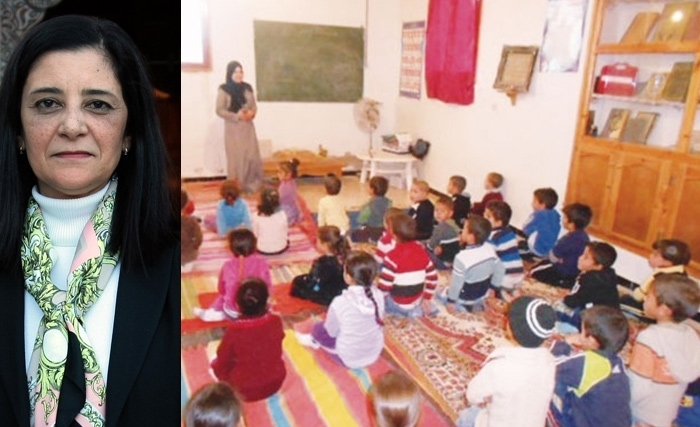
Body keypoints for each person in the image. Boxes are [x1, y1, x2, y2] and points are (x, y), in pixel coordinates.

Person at [0, 15, 179, 425]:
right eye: (48, 103)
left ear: (130, 131)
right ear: (18, 131)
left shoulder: (175, 263)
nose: (72, 126)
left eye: (97, 104)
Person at [456, 296, 556, 427]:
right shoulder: (550, 361)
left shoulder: (500, 365)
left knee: (467, 415)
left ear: (510, 328)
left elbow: (472, 396)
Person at [628, 274, 700, 427]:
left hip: (641, 413)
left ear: (664, 310)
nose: (645, 299)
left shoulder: (649, 338)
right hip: (668, 413)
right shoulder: (691, 333)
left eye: (649, 297)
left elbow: (637, 389)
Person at [297, 251, 385, 369]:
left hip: (347, 359)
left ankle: (314, 341)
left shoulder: (340, 302)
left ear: (347, 277)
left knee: (318, 328)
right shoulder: (379, 295)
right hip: (374, 353)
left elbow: (331, 332)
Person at [549, 306, 631, 427]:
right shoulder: (619, 363)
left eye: (582, 332)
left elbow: (550, 365)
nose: (578, 335)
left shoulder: (589, 363)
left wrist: (565, 343)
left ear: (592, 340)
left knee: (553, 382)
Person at [212, 278, 286, 401]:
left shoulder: (234, 330)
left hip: (242, 390)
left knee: (217, 363)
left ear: (237, 305)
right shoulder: (276, 321)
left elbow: (223, 357)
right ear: (268, 301)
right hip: (275, 383)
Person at [193, 228, 271, 321]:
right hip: (259, 308)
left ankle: (215, 313)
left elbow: (221, 288)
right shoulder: (262, 263)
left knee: (223, 297)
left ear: (231, 248)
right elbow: (268, 287)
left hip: (234, 310)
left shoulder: (228, 266)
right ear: (254, 244)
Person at [378, 213, 438, 318]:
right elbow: (433, 278)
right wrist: (427, 298)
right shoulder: (422, 251)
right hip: (417, 299)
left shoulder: (391, 257)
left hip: (398, 303)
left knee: (375, 293)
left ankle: (402, 312)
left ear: (394, 236)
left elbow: (384, 288)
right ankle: (416, 310)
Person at [216, 60, 263, 193]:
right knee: (237, 158)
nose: (239, 74)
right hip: (233, 129)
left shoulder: (247, 88)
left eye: (241, 71)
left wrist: (251, 113)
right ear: (230, 73)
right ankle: (236, 187)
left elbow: (253, 106)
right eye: (236, 71)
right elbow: (219, 110)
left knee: (251, 156)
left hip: (248, 128)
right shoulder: (224, 89)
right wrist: (237, 116)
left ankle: (251, 185)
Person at [553, 242, 620, 331]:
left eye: (586, 257)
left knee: (556, 310)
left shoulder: (589, 279)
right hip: (611, 320)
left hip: (595, 323)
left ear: (598, 266)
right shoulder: (608, 275)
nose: (580, 258)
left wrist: (566, 298)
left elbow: (573, 302)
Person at [619, 238, 691, 321]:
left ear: (668, 262)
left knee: (623, 300)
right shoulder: (682, 272)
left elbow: (638, 296)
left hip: (652, 313)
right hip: (669, 316)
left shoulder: (658, 276)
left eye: (655, 255)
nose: (650, 256)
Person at [442, 216, 503, 313]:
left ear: (471, 237)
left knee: (441, 293)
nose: (462, 230)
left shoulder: (461, 258)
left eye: (465, 228)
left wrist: (451, 302)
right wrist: (493, 288)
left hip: (465, 296)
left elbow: (456, 284)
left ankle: (463, 306)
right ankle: (476, 304)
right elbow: (500, 269)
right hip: (483, 293)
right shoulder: (490, 249)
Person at [530, 203, 592, 289]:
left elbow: (553, 257)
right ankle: (565, 281)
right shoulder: (584, 236)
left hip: (563, 271)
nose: (563, 219)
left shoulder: (570, 238)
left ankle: (562, 282)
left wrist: (557, 258)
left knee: (534, 271)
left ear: (572, 223)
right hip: (575, 271)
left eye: (565, 217)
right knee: (542, 264)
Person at [290, 225, 349, 305]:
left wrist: (310, 288)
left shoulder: (322, 262)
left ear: (324, 245)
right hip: (342, 291)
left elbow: (316, 284)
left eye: (317, 240)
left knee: (297, 281)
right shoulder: (344, 257)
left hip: (327, 295)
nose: (316, 242)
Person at [484, 200, 524, 298]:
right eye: (484, 214)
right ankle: (514, 291)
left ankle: (503, 294)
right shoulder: (510, 232)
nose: (484, 218)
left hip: (505, 278)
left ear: (498, 222)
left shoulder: (492, 236)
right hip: (519, 274)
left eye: (488, 217)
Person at [519, 187, 561, 259]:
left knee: (516, 237)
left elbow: (525, 229)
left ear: (542, 205)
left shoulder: (539, 215)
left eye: (534, 201)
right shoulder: (555, 215)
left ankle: (527, 252)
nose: (531, 203)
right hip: (548, 250)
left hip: (537, 249)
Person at [351, 175, 392, 243]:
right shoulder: (389, 202)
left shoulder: (369, 205)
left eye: (369, 187)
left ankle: (371, 240)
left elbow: (361, 219)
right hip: (384, 230)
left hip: (371, 230)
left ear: (372, 190)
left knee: (354, 234)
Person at [425, 196, 461, 270]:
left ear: (450, 213)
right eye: (436, 210)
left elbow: (431, 246)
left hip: (442, 261)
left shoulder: (441, 227)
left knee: (421, 249)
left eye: (442, 211)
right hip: (453, 258)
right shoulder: (453, 223)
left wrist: (426, 246)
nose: (438, 213)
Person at [252, 186, 289, 254]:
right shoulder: (282, 214)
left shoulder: (256, 216)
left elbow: (255, 234)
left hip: (262, 249)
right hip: (281, 247)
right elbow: (285, 231)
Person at [182, 188, 204, 272]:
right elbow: (199, 239)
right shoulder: (191, 221)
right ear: (186, 204)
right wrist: (193, 247)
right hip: (189, 260)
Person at [277, 158, 302, 225]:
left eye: (280, 172)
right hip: (291, 207)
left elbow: (278, 200)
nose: (278, 174)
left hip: (287, 210)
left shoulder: (286, 187)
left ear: (288, 174)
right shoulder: (289, 182)